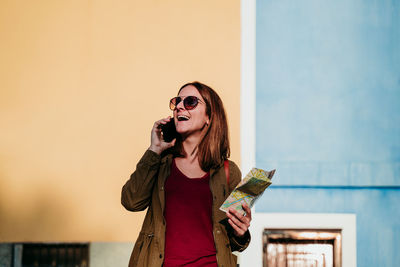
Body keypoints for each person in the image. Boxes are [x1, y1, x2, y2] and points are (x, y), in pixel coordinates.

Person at [121, 82, 251, 267]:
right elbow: (131, 202)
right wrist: (154, 150)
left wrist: (241, 232)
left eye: (190, 101)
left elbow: (233, 241)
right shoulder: (160, 162)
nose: (180, 106)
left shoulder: (229, 171)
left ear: (209, 116)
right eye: (177, 101)